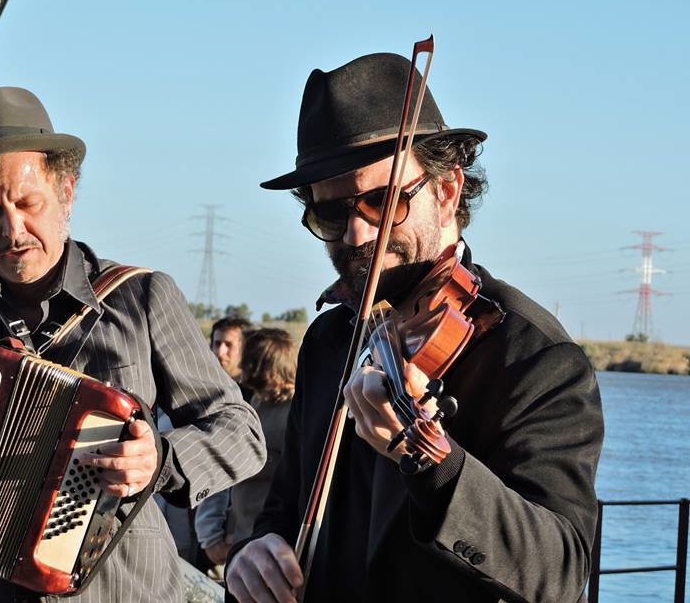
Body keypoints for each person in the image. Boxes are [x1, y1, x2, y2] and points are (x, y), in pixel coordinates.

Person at [0, 86, 265, 603]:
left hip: (114, 590)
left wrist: (160, 460)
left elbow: (240, 431)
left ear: (67, 190)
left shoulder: (142, 297)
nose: (12, 229)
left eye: (27, 203)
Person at [225, 53, 604, 602]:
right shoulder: (330, 340)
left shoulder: (533, 357)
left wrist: (429, 458)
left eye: (382, 202)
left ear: (448, 189)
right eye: (330, 214)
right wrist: (254, 551)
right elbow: (286, 510)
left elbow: (561, 571)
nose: (357, 235)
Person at [196, 316, 254, 574]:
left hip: (230, 532)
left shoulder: (252, 401)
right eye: (217, 343)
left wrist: (215, 536)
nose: (220, 352)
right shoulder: (198, 392)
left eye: (229, 345)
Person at [227, 328, 297, 545]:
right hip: (243, 530)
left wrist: (240, 459)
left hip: (270, 537)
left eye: (247, 360)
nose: (240, 367)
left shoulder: (293, 408)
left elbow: (294, 469)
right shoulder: (259, 400)